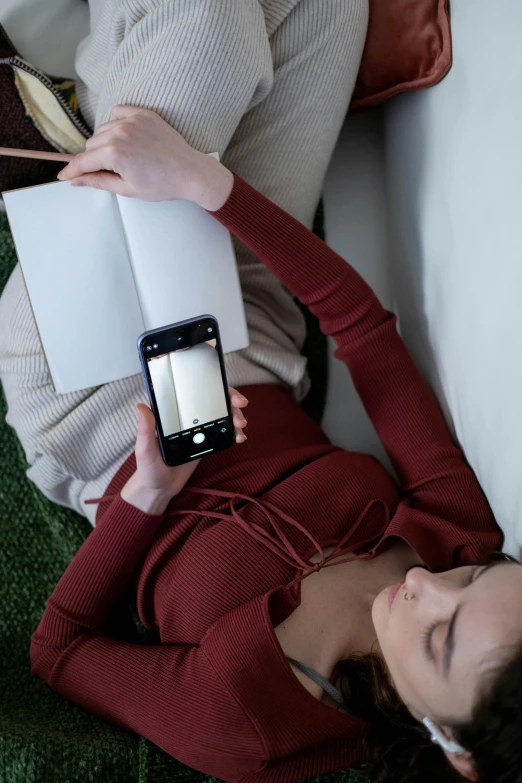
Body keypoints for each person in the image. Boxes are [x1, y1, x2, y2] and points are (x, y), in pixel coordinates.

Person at [1, 3, 522, 783]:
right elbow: (363, 332)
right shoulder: (458, 535)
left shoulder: (250, 727)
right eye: (474, 580)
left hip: (92, 396)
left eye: (438, 638)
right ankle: (98, 102)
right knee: (329, 8)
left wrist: (148, 492)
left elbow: (60, 649)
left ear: (455, 751)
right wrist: (209, 187)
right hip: (248, 321)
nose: (425, 583)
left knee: (207, 24)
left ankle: (97, 100)